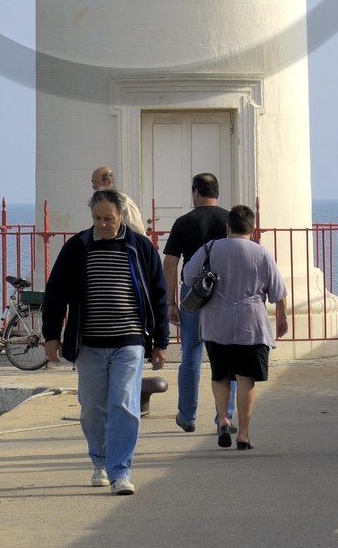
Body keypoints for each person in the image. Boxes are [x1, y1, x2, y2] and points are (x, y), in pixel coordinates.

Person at [43, 188, 168, 495]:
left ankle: (120, 471)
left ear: (122, 215)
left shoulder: (140, 247)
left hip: (130, 341)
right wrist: (50, 336)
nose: (102, 224)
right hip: (89, 344)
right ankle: (99, 461)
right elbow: (55, 293)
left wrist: (161, 341)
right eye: (97, 218)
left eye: (108, 219)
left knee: (124, 404)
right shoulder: (77, 247)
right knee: (91, 408)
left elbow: (159, 294)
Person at [183, 204, 287, 451]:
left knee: (219, 374)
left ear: (227, 226)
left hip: (215, 322)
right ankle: (243, 432)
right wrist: (282, 318)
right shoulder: (261, 253)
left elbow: (188, 276)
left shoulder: (210, 248)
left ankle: (223, 419)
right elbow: (278, 291)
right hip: (251, 323)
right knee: (245, 377)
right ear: (252, 228)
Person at [163, 172, 235, 432]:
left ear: (196, 192)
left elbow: (170, 263)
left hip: (193, 293)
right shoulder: (230, 220)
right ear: (216, 191)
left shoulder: (183, 222)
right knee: (227, 356)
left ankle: (187, 415)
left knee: (191, 356)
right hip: (226, 295)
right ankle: (225, 417)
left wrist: (171, 302)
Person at [90, 166, 145, 234]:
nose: (93, 186)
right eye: (92, 182)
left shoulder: (124, 202)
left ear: (109, 182)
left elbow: (138, 231)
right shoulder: (96, 203)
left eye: (97, 182)